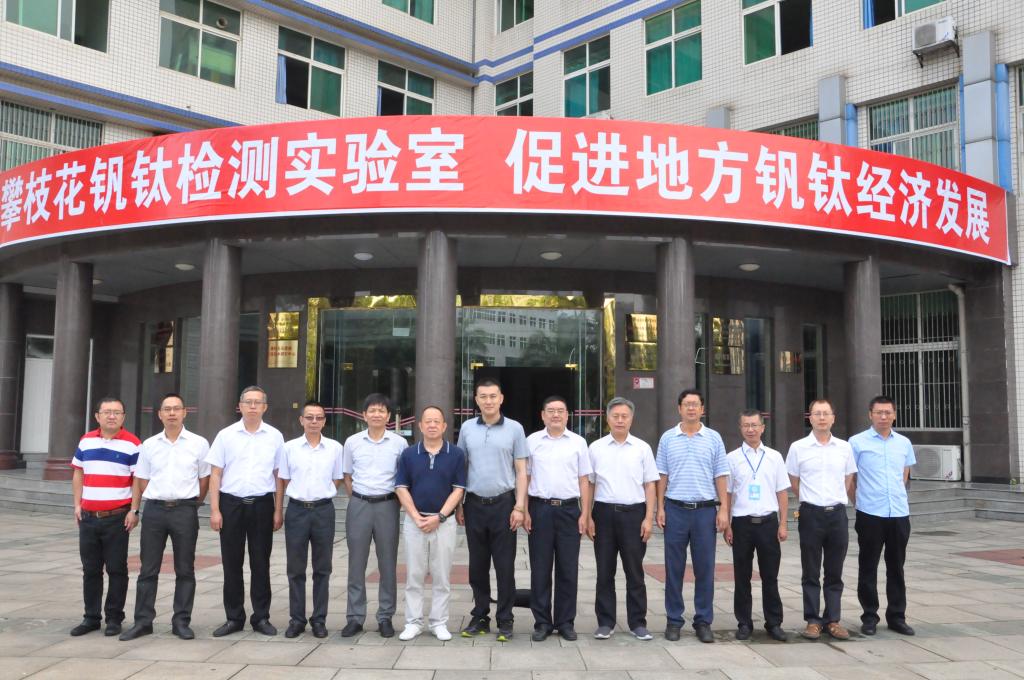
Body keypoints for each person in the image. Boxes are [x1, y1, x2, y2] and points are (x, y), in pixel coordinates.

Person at [119, 393, 209, 641]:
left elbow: (204, 479)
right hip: (155, 511)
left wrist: (193, 504)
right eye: (167, 409)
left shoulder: (199, 443)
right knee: (148, 569)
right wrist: (137, 508)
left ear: (184, 412)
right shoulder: (149, 445)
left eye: (176, 408)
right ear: (159, 414)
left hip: (184, 510)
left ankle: (181, 622)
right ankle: (142, 622)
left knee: (185, 569)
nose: (171, 413)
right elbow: (141, 479)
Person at [206, 385, 285, 637]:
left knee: (261, 563)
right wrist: (215, 509)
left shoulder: (275, 436)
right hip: (231, 505)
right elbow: (215, 474)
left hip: (262, 504)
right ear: (239, 406)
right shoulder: (225, 435)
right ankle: (234, 618)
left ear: (265, 407)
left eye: (257, 402)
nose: (252, 406)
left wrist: (278, 510)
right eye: (248, 402)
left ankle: (261, 617)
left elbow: (279, 476)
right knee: (232, 563)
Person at [455, 379, 529, 641]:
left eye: (493, 396)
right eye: (483, 396)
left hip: (504, 505)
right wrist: (459, 504)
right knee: (477, 566)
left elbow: (521, 471)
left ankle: (505, 618)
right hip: (474, 504)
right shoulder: (467, 428)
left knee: (504, 566)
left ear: (501, 398)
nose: (488, 401)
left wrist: (520, 506)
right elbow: (461, 467)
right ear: (476, 400)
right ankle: (480, 615)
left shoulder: (515, 429)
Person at [656, 389, 730, 644]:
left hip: (704, 511)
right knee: (673, 568)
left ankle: (703, 621)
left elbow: (721, 475)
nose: (690, 408)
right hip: (675, 509)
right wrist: (660, 508)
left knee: (705, 568)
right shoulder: (668, 438)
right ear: (679, 408)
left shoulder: (713, 438)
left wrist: (723, 508)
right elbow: (662, 475)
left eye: (695, 404)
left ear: (702, 409)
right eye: (686, 404)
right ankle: (673, 620)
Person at [586, 397, 659, 641]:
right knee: (604, 571)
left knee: (634, 571)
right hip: (603, 514)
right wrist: (588, 515)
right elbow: (589, 484)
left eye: (624, 416)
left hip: (634, 515)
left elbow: (650, 485)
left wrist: (648, 518)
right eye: (615, 416)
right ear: (607, 419)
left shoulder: (642, 448)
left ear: (631, 419)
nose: (619, 420)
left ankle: (638, 622)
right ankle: (605, 622)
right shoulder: (596, 448)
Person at [786, 398, 857, 641]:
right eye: (817, 413)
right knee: (811, 570)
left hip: (836, 514)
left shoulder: (844, 447)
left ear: (833, 418)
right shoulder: (798, 448)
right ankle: (813, 621)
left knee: (835, 571)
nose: (822, 418)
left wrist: (834, 499)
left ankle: (833, 620)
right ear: (810, 418)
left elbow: (848, 479)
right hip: (811, 514)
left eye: (826, 413)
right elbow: (794, 481)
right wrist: (811, 500)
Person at [394, 406, 467, 641]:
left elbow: (459, 489)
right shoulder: (408, 454)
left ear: (444, 426)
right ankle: (413, 622)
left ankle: (439, 622)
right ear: (420, 425)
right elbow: (401, 487)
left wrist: (440, 517)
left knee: (441, 576)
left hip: (444, 523)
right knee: (414, 575)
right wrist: (416, 517)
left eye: (437, 421)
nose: (432, 425)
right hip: (414, 522)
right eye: (428, 421)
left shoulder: (456, 454)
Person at [70, 397, 140, 637]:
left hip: (117, 517)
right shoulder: (86, 440)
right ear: (97, 416)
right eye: (107, 412)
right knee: (90, 570)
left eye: (117, 412)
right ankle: (91, 618)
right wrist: (77, 504)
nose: (112, 416)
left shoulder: (133, 444)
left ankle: (114, 618)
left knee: (117, 569)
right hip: (88, 517)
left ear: (123, 417)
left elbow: (138, 480)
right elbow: (78, 473)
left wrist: (134, 510)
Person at [525, 395, 593, 642]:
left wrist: (585, 513)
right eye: (551, 410)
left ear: (567, 415)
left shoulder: (578, 442)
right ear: (543, 415)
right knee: (540, 569)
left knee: (568, 568)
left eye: (560, 411)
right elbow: (525, 478)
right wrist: (524, 510)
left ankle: (565, 622)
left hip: (569, 511)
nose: (556, 415)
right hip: (540, 509)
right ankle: (542, 622)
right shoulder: (532, 441)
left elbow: (584, 480)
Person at [850, 395, 916, 637]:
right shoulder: (856, 442)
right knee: (868, 566)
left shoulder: (904, 443)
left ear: (894, 415)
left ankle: (897, 616)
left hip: (898, 513)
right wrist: (859, 502)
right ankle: (869, 616)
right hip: (870, 514)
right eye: (879, 412)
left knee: (896, 567)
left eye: (888, 412)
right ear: (870, 414)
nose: (883, 416)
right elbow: (850, 478)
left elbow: (904, 475)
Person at [342, 393, 407, 638]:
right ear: (364, 415)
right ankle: (355, 617)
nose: (376, 414)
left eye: (381, 411)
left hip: (387, 505)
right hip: (359, 504)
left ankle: (385, 617)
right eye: (372, 410)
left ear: (388, 416)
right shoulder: (352, 442)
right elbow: (347, 476)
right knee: (356, 563)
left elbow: (402, 478)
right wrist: (359, 498)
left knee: (387, 563)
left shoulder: (399, 443)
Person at [277, 401, 344, 639]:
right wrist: (279, 511)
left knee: (322, 568)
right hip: (296, 510)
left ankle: (319, 620)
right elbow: (283, 480)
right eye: (309, 417)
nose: (314, 421)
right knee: (295, 568)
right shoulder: (289, 448)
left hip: (323, 511)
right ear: (301, 420)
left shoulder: (335, 448)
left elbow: (337, 478)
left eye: (319, 417)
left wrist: (321, 494)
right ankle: (297, 619)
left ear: (324, 421)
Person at [724, 410, 790, 643]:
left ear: (763, 427)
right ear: (740, 428)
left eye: (754, 425)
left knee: (770, 576)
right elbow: (727, 493)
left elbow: (782, 492)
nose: (750, 429)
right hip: (742, 524)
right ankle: (744, 623)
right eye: (746, 425)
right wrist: (727, 524)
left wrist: (783, 523)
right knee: (741, 577)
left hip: (768, 523)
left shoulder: (774, 457)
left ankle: (774, 623)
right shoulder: (732, 458)